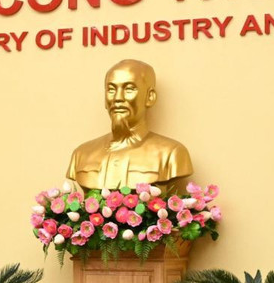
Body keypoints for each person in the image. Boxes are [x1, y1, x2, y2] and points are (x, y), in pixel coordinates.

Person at [66, 59, 193, 191]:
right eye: (111, 89)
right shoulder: (81, 154)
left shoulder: (171, 153)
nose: (118, 98)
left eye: (129, 89)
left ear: (150, 97)